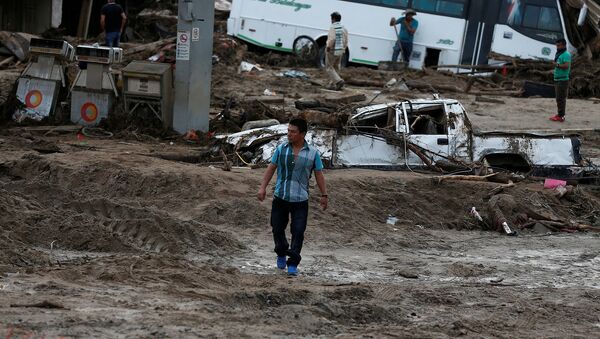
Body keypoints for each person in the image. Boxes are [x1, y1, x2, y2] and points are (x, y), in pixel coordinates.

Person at [257, 118, 328, 276]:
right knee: (277, 228)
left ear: (302, 134)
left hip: (300, 200)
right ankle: (281, 252)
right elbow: (271, 168)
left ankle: (293, 263)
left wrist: (324, 194)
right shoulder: (281, 149)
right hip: (280, 196)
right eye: (288, 130)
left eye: (293, 131)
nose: (289, 134)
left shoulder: (313, 153)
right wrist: (262, 188)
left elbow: (319, 175)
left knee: (298, 231)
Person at [325, 12, 348, 91]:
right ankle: (332, 84)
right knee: (336, 67)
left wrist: (328, 46)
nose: (331, 20)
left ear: (333, 19)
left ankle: (338, 81)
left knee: (329, 67)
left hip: (333, 50)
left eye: (331, 18)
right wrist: (344, 48)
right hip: (340, 49)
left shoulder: (333, 27)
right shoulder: (343, 28)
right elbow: (346, 39)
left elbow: (332, 39)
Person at [550, 38, 571, 122]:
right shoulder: (559, 54)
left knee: (561, 98)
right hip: (558, 79)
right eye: (556, 46)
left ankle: (561, 116)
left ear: (564, 45)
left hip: (563, 80)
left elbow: (566, 66)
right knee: (559, 98)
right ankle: (560, 114)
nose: (557, 47)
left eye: (559, 46)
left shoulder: (566, 54)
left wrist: (556, 65)